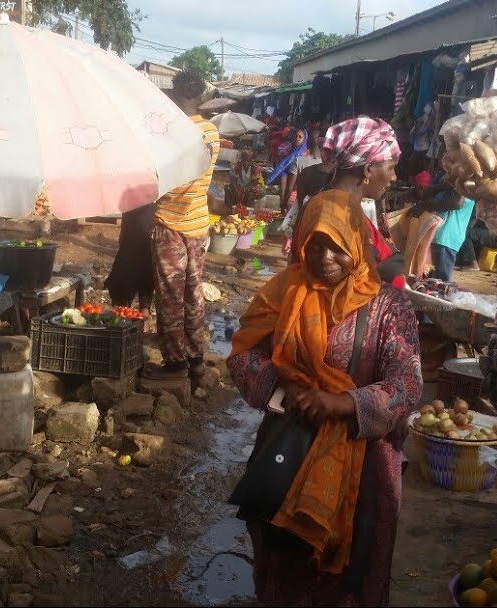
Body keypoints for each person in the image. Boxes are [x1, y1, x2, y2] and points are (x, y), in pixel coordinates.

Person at [227, 188, 422, 607]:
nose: (324, 257)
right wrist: (286, 390)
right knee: (285, 556)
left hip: (364, 462)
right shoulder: (283, 292)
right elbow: (244, 355)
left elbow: (407, 384)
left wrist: (347, 402)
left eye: (336, 246)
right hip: (289, 445)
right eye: (314, 245)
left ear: (356, 244)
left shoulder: (391, 307)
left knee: (352, 567)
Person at [148, 70, 221, 380]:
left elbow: (167, 183)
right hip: (199, 222)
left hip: (171, 224)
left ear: (177, 95)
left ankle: (175, 363)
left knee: (170, 296)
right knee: (193, 293)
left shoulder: (173, 133)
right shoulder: (211, 132)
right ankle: (195, 358)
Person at [288, 116, 405, 288]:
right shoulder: (335, 211)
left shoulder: (342, 207)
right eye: (391, 167)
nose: (394, 177)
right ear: (368, 169)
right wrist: (383, 268)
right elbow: (333, 277)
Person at [104, 203, 156, 321]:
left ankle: (142, 311)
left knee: (144, 250)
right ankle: (124, 308)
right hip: (134, 202)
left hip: (147, 201)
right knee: (132, 250)